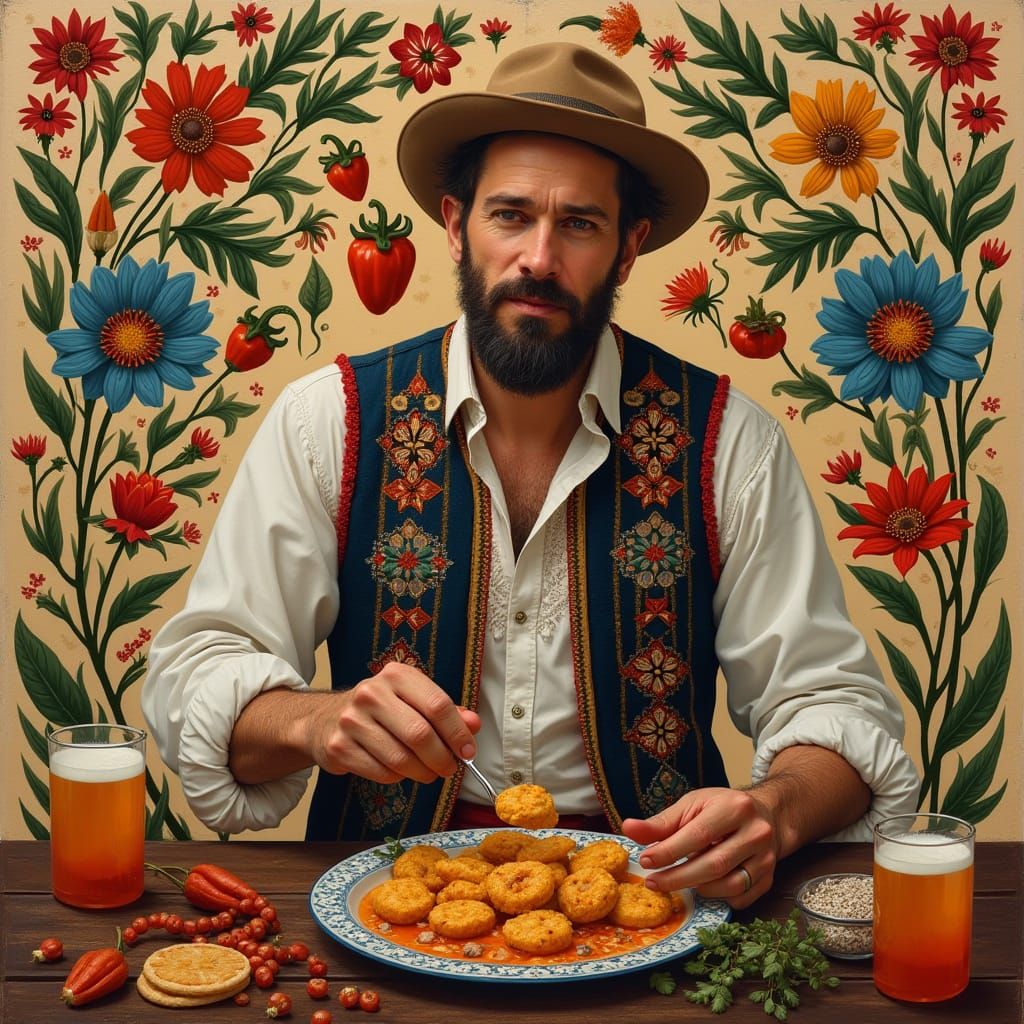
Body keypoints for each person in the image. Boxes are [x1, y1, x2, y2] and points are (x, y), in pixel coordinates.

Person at [143, 42, 918, 907]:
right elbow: (193, 684)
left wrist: (774, 812)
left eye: (579, 224)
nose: (539, 260)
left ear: (628, 251)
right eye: (510, 214)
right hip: (378, 905)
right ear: (454, 224)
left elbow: (836, 709)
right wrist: (316, 720)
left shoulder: (730, 441)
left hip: (659, 910)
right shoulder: (327, 420)